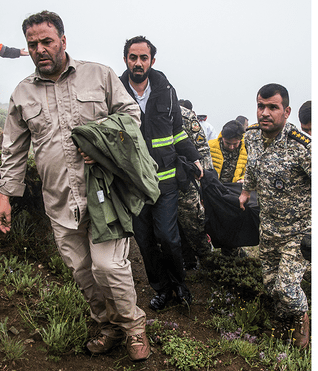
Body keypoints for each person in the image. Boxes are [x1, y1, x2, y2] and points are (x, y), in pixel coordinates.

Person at [0, 11, 150, 361]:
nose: (40, 49)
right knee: (83, 272)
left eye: (47, 41)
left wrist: (102, 145)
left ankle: (134, 328)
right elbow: (14, 150)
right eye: (33, 44)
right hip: (60, 202)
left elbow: (131, 116)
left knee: (108, 267)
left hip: (106, 197)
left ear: (63, 41)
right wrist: (6, 196)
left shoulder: (100, 75)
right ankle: (108, 326)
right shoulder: (22, 94)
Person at [120, 36, 202, 311]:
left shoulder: (167, 90)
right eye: (133, 57)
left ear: (152, 61)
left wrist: (194, 157)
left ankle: (180, 286)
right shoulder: (116, 92)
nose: (138, 62)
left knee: (168, 237)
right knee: (144, 242)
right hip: (134, 183)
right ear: (126, 60)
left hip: (165, 180)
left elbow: (178, 131)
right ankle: (162, 290)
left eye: (144, 58)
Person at [239, 83, 311, 348]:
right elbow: (252, 165)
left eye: (273, 107)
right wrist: (246, 191)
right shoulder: (252, 136)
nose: (265, 113)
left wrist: (315, 230)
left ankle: (302, 317)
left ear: (287, 111)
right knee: (271, 285)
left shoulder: (302, 146)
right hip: (268, 228)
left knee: (288, 290)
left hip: (298, 232)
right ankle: (285, 319)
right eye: (261, 106)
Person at [177, 99, 214, 270]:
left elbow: (203, 149)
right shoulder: (143, 112)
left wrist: (206, 182)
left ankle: (209, 263)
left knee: (194, 223)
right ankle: (186, 262)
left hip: (187, 183)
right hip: (157, 183)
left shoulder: (185, 116)